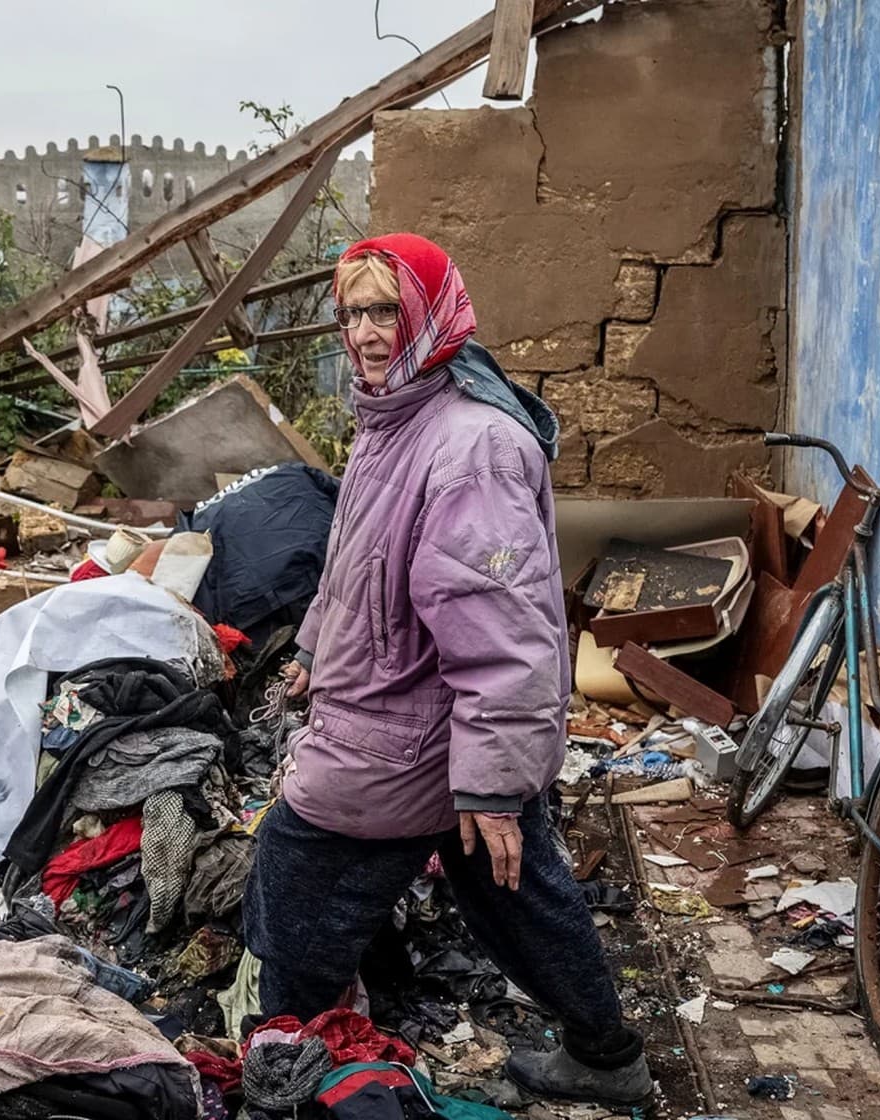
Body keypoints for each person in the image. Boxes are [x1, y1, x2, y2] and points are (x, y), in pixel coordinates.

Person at [242, 233, 652, 1107]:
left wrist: (495, 785)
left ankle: (295, 1060)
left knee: (295, 876)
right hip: (423, 727)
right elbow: (357, 560)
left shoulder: (469, 447)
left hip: (405, 736)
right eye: (351, 312)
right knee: (516, 892)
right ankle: (609, 1057)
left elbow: (506, 632)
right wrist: (316, 648)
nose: (365, 331)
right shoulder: (395, 421)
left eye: (386, 308)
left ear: (432, 312)